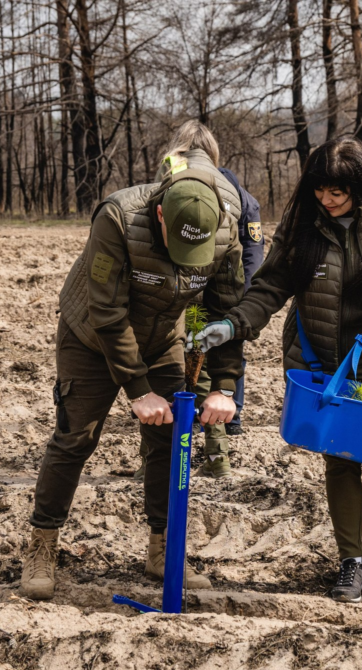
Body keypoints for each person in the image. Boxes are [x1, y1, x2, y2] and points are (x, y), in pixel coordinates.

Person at [192, 137, 362, 609]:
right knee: (341, 458)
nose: (327, 201)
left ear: (361, 185)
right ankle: (351, 562)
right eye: (320, 191)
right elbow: (269, 286)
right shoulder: (302, 226)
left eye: (337, 192)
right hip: (325, 361)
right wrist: (233, 324)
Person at [19, 141, 246, 600]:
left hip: (163, 335)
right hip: (89, 335)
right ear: (161, 215)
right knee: (75, 436)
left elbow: (228, 312)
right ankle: (41, 546)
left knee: (169, 441)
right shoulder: (118, 217)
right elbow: (106, 311)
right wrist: (138, 389)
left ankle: (163, 550)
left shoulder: (228, 227)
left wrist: (223, 385)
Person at [134, 121, 265, 480]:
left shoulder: (212, 187)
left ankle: (178, 457)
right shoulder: (220, 186)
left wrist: (242, 308)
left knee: (174, 370)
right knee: (193, 370)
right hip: (202, 292)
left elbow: (250, 250)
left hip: (198, 293)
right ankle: (211, 454)